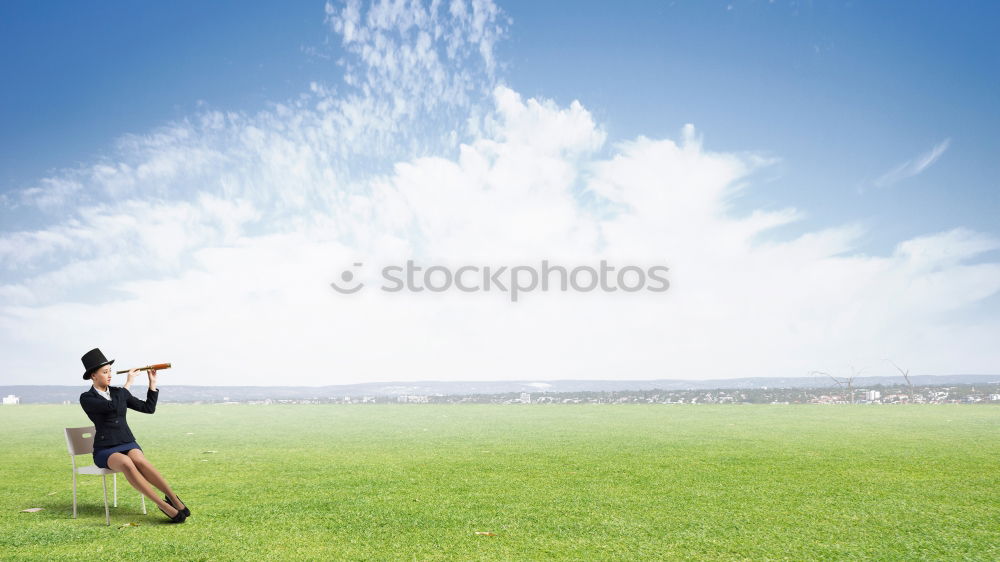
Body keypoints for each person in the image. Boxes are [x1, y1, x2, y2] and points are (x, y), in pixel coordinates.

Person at [78, 348, 190, 523]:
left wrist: (152, 384)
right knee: (127, 464)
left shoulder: (118, 392)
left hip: (127, 442)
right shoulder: (86, 398)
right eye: (105, 372)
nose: (109, 376)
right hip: (105, 449)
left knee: (140, 461)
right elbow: (111, 408)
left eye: (109, 372)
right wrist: (128, 384)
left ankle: (174, 498)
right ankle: (162, 504)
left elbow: (148, 408)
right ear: (93, 376)